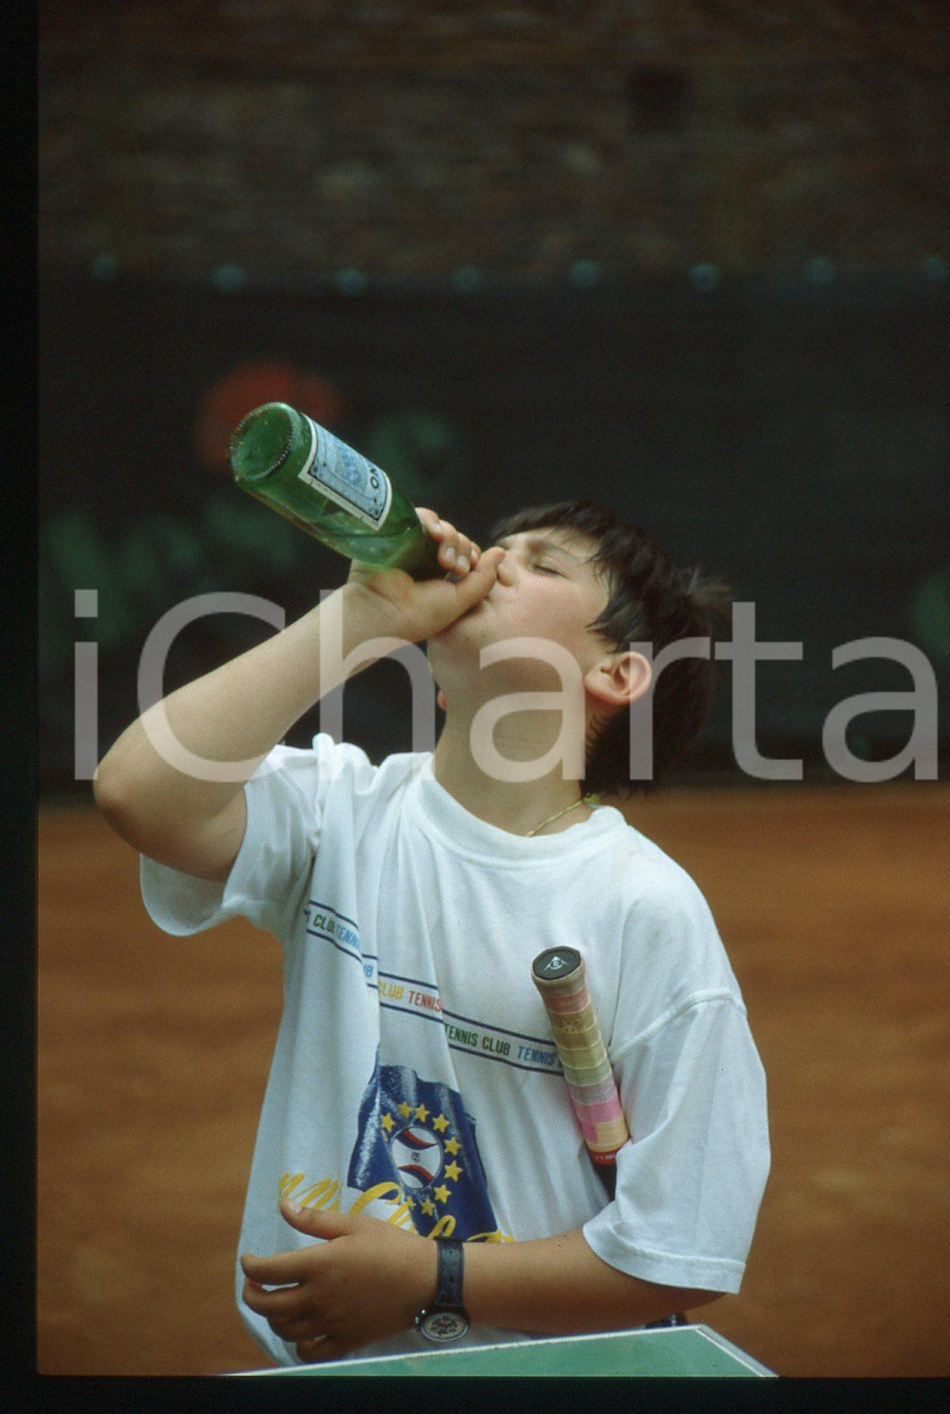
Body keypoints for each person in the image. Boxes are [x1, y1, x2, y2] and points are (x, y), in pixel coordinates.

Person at [94, 498, 769, 1367]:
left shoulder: (644, 907)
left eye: (543, 562)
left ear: (619, 674)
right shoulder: (339, 812)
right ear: (441, 683)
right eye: (496, 546)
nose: (490, 561)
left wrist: (435, 1278)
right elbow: (137, 791)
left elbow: (679, 1250)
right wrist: (357, 620)